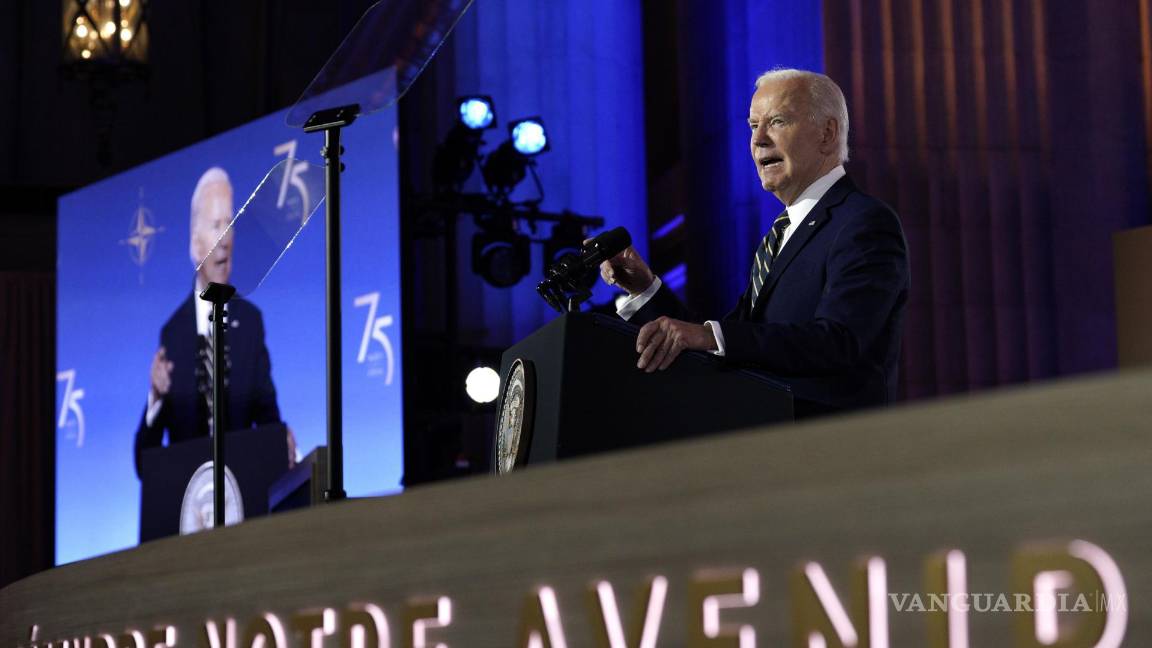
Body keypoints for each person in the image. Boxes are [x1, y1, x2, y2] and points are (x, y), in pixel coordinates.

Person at [600, 69, 909, 417]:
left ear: (827, 133)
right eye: (752, 125)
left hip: (829, 449)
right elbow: (727, 344)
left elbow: (839, 341)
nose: (758, 139)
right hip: (765, 441)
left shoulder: (862, 221)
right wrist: (646, 290)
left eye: (777, 121)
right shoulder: (778, 238)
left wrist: (711, 337)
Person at [134, 167, 295, 476]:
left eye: (230, 224)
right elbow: (145, 464)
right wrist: (155, 397)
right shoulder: (173, 333)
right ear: (195, 245)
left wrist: (282, 440)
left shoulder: (250, 323)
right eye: (215, 226)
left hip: (243, 499)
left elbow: (268, 419)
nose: (225, 240)